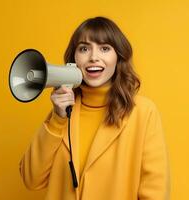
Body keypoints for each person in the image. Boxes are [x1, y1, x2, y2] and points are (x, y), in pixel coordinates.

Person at [19, 16, 170, 200]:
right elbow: (31, 179)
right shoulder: (62, 113)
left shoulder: (143, 113)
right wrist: (57, 119)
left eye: (104, 48)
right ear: (74, 58)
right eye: (84, 48)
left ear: (118, 57)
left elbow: (156, 191)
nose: (93, 57)